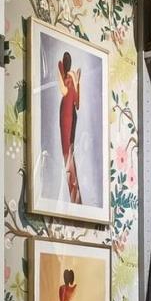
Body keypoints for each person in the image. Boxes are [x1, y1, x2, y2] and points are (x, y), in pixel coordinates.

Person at [56, 51, 84, 204]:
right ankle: (75, 196)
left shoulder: (67, 78)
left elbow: (63, 91)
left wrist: (59, 71)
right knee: (69, 153)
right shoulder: (73, 79)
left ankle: (74, 196)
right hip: (72, 115)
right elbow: (77, 104)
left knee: (67, 153)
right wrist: (78, 82)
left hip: (66, 116)